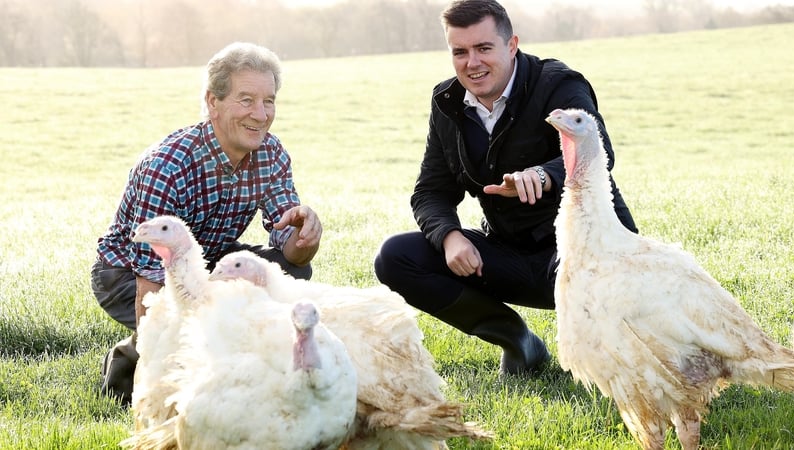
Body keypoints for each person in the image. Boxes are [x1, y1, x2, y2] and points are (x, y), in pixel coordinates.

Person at [373, 0, 638, 376]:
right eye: (460, 52)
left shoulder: (558, 84)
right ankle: (518, 341)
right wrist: (449, 236)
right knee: (396, 256)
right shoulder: (446, 101)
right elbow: (431, 190)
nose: (472, 63)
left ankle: (610, 344)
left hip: (585, 254)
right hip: (507, 255)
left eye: (484, 48)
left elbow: (599, 151)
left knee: (618, 354)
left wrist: (543, 175)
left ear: (511, 45)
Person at [91, 42, 322, 404]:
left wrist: (305, 234)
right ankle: (127, 362)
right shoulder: (166, 167)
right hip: (126, 273)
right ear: (212, 102)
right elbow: (151, 284)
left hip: (208, 259)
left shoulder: (271, 153)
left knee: (285, 273)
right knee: (193, 320)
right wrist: (156, 357)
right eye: (246, 100)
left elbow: (291, 252)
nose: (261, 115)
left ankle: (253, 370)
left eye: (269, 101)